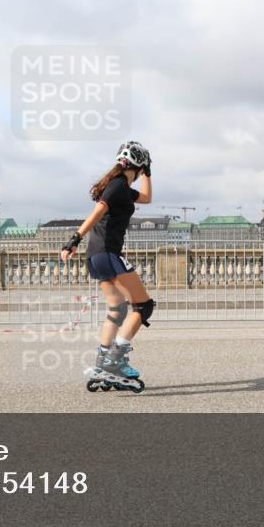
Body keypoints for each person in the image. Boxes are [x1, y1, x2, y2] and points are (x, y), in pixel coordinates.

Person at [60, 141, 155, 388]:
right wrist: (74, 239)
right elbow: (98, 211)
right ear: (136, 166)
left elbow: (146, 198)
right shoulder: (117, 186)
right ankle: (117, 359)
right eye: (142, 170)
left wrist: (148, 173)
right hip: (108, 253)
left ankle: (103, 360)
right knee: (143, 306)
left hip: (96, 256)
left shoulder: (120, 187)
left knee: (117, 310)